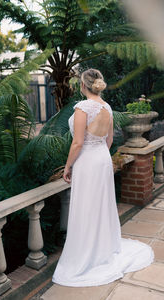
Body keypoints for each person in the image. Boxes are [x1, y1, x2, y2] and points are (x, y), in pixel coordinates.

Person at [52, 68, 154, 287]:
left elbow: (78, 142)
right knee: (101, 205)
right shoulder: (106, 107)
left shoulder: (82, 107)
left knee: (87, 206)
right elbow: (108, 141)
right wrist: (100, 155)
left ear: (82, 85)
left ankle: (88, 253)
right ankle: (102, 247)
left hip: (88, 161)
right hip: (102, 159)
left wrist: (68, 166)